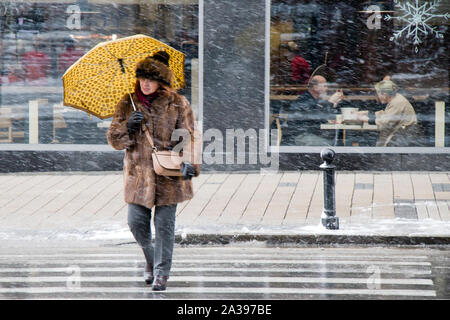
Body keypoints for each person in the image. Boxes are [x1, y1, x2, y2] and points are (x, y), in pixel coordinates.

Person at [107, 51, 200, 291]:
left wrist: (190, 162)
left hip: (169, 172)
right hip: (139, 176)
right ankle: (150, 259)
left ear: (162, 81)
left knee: (165, 226)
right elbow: (114, 140)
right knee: (136, 223)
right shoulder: (127, 103)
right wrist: (128, 127)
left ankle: (161, 273)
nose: (145, 83)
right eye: (142, 78)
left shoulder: (178, 103)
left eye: (151, 79)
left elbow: (189, 136)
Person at [280, 75, 343, 146]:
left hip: (308, 133)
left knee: (337, 141)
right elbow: (318, 117)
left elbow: (321, 118)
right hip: (299, 136)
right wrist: (331, 102)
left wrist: (334, 104)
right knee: (334, 144)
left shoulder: (312, 99)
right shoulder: (305, 100)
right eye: (324, 86)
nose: (327, 88)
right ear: (315, 87)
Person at [355, 80, 421, 147]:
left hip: (406, 135)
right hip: (402, 132)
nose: (377, 96)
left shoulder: (397, 102)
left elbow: (386, 121)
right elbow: (387, 114)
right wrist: (367, 113)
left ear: (384, 94)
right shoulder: (395, 98)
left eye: (378, 93)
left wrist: (367, 119)